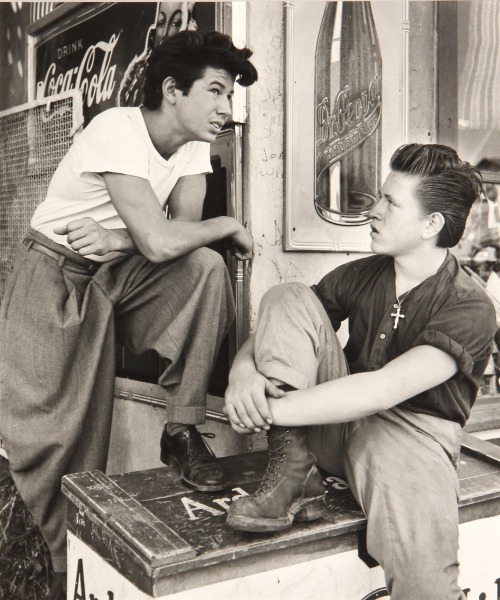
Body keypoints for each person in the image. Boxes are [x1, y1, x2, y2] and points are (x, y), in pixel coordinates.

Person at [0, 30, 257, 598]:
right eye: (216, 91)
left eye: (230, 95)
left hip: (116, 275)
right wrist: (227, 224)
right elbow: (164, 238)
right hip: (53, 276)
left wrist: (122, 237)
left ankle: (181, 427)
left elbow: (175, 242)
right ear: (172, 90)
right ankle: (36, 582)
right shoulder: (117, 127)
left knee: (207, 270)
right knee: (47, 444)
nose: (226, 109)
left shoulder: (191, 147)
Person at [224, 144, 496, 600]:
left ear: (432, 225)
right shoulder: (363, 274)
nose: (374, 210)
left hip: (411, 439)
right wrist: (242, 373)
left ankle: (296, 462)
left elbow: (382, 389)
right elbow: (291, 318)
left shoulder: (469, 305)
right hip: (332, 420)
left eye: (391, 202)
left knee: (426, 584)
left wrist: (267, 410)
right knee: (288, 295)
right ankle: (294, 473)